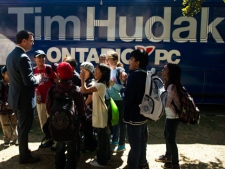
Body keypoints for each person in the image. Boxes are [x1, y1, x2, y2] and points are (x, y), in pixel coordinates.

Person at [6, 30, 41, 164]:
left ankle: (24, 152)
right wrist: (37, 78)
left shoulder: (11, 55)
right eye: (31, 40)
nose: (33, 43)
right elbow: (28, 81)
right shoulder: (23, 57)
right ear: (24, 41)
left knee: (22, 127)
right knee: (24, 129)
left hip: (16, 98)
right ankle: (25, 157)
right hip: (24, 100)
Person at [46, 62, 85, 169]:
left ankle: (59, 166)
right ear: (71, 74)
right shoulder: (76, 90)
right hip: (72, 126)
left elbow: (49, 108)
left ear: (58, 74)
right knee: (72, 147)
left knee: (59, 146)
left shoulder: (53, 89)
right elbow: (81, 109)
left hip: (57, 124)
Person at [120, 49, 149, 169]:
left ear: (137, 62)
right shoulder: (145, 74)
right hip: (143, 114)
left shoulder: (134, 75)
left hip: (133, 115)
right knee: (142, 141)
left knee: (135, 144)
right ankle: (142, 163)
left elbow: (127, 98)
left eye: (131, 59)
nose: (129, 61)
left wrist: (123, 87)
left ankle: (133, 166)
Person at [80, 63, 111, 167]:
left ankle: (101, 161)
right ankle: (106, 157)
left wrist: (82, 79)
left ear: (102, 73)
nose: (95, 71)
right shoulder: (100, 83)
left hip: (100, 114)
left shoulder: (100, 85)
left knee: (102, 139)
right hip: (101, 113)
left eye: (97, 69)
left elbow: (84, 90)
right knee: (104, 137)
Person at [155, 63, 181, 169]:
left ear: (170, 73)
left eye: (165, 70)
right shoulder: (169, 84)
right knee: (167, 135)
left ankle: (175, 164)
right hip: (170, 116)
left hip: (173, 117)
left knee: (171, 138)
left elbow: (166, 102)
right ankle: (168, 156)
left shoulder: (171, 86)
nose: (163, 71)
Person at [33, 50, 57, 148]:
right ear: (35, 59)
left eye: (43, 57)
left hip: (50, 100)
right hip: (39, 100)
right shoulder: (33, 70)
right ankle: (47, 137)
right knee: (42, 121)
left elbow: (56, 81)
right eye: (39, 57)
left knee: (52, 120)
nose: (41, 59)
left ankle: (55, 138)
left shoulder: (48, 68)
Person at [105, 50, 127, 152]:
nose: (106, 61)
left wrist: (113, 85)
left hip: (120, 100)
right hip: (111, 100)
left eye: (108, 59)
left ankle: (122, 144)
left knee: (121, 122)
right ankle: (115, 139)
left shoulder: (119, 70)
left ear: (114, 60)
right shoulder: (108, 71)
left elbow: (123, 87)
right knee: (114, 121)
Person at [79, 62, 98, 153]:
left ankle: (90, 147)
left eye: (83, 69)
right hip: (85, 111)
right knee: (85, 129)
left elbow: (90, 97)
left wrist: (82, 107)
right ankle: (87, 145)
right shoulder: (86, 81)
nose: (81, 71)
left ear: (88, 71)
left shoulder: (91, 82)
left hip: (89, 111)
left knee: (88, 130)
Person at [0, 66, 18, 147]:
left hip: (12, 108)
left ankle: (16, 138)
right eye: (7, 73)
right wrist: (4, 103)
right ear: (3, 74)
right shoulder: (1, 84)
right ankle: (7, 139)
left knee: (15, 123)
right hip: (2, 109)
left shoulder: (13, 83)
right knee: (5, 124)